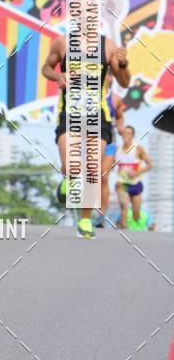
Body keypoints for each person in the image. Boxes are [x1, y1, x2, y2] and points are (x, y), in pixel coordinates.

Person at [41, 33, 130, 240]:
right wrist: (58, 76)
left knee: (93, 169)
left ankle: (85, 219)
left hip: (97, 116)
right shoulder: (62, 42)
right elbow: (46, 68)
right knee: (73, 167)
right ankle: (68, 178)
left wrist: (124, 64)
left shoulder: (107, 46)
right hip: (69, 114)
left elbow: (124, 83)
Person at [96, 74, 124, 228]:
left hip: (110, 141)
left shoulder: (115, 98)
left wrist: (120, 126)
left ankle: (101, 215)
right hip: (89, 141)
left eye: (108, 74)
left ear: (112, 78)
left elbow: (120, 117)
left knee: (103, 177)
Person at [117, 125, 152, 228]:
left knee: (135, 215)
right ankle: (123, 228)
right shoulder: (118, 149)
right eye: (124, 132)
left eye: (129, 133)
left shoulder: (138, 149)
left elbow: (150, 164)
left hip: (135, 184)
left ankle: (136, 220)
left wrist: (138, 172)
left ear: (133, 136)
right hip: (122, 183)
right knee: (124, 207)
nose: (126, 135)